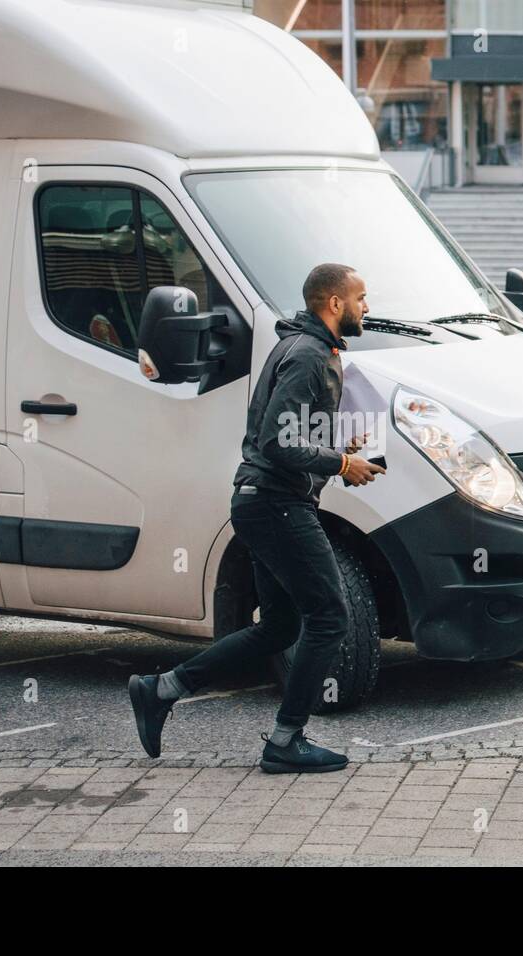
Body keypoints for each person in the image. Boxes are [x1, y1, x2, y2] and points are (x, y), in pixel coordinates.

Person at [127, 263, 385, 773]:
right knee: (330, 616)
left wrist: (338, 448)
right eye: (361, 297)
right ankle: (287, 740)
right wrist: (341, 463)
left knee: (280, 626)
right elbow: (277, 441)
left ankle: (161, 689)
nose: (366, 307)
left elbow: (290, 435)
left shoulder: (302, 347)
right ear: (334, 304)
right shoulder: (310, 355)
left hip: (264, 501)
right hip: (276, 504)